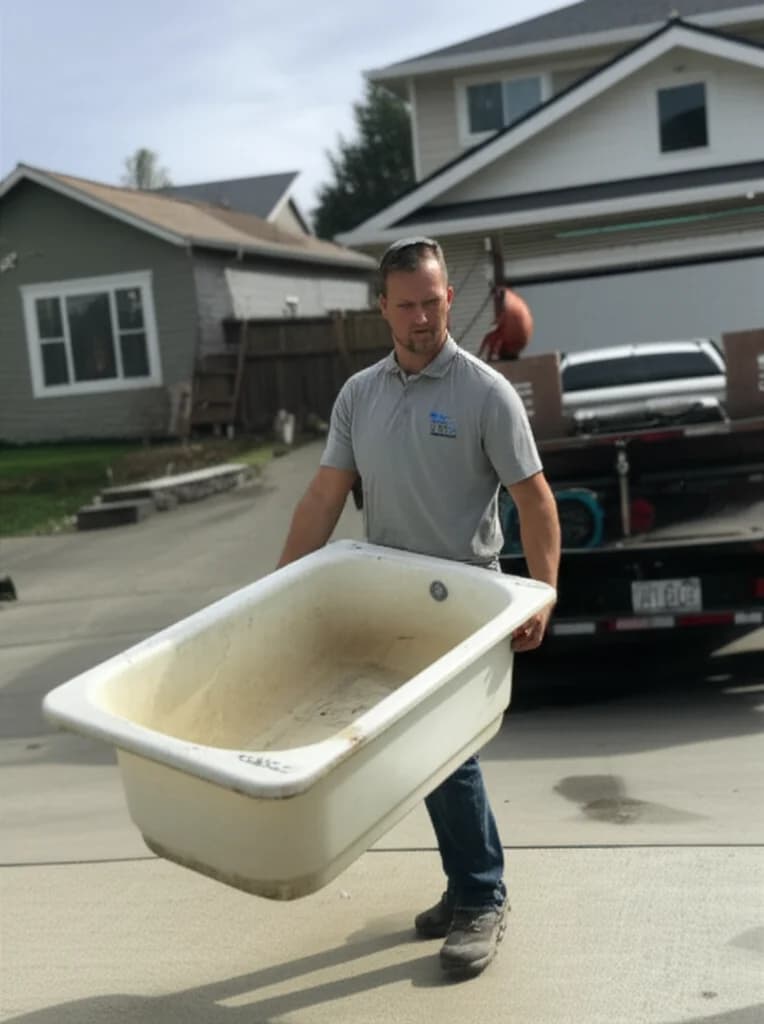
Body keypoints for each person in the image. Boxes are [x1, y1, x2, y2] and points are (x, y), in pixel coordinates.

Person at [277, 236, 560, 979]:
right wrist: (273, 593)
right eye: (405, 305)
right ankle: (466, 881)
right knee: (421, 758)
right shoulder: (358, 396)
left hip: (465, 600)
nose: (420, 318)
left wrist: (543, 590)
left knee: (445, 752)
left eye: (431, 303)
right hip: (389, 600)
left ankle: (481, 896)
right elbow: (322, 497)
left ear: (448, 302)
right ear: (383, 309)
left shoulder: (483, 394)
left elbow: (535, 501)